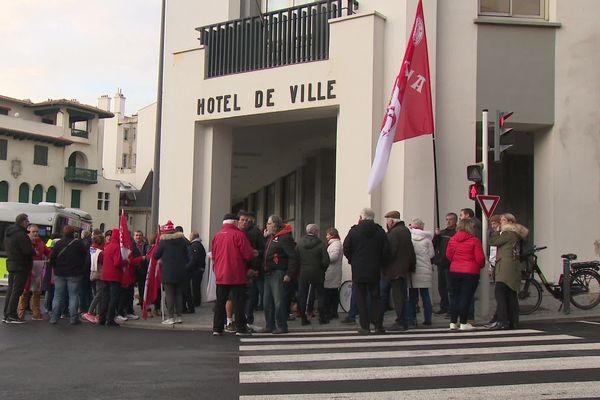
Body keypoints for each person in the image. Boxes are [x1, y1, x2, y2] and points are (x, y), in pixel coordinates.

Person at [343, 207, 390, 335]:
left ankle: (365, 326)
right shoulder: (380, 231)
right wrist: (380, 262)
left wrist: (352, 260)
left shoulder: (354, 231)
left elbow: (346, 247)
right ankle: (378, 326)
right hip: (374, 269)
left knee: (361, 298)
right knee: (376, 297)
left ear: (361, 217)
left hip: (358, 269)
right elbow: (386, 250)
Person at [211, 214, 257, 336]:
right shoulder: (239, 235)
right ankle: (240, 328)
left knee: (220, 303)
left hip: (221, 275)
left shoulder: (217, 236)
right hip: (237, 274)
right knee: (239, 302)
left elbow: (214, 255)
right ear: (235, 222)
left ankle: (217, 328)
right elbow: (247, 254)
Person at [489, 213, 529, 330]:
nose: (501, 223)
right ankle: (513, 321)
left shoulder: (509, 234)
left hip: (505, 268)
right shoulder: (517, 234)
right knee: (511, 295)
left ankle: (502, 321)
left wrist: (497, 231)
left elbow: (493, 241)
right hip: (512, 267)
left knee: (500, 294)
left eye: (503, 220)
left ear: (510, 222)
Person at [261, 215, 299, 334]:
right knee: (267, 301)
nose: (267, 226)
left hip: (278, 272)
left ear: (275, 225)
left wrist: (289, 273)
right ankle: (269, 324)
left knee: (279, 301)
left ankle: (282, 326)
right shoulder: (271, 238)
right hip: (269, 272)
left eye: (269, 224)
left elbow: (293, 257)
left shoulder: (284, 238)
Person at [445, 219, 485, 331]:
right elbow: (480, 258)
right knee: (466, 297)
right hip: (470, 272)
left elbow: (448, 255)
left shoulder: (452, 239)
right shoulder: (474, 240)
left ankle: (453, 322)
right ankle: (463, 322)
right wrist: (480, 265)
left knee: (455, 296)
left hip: (454, 270)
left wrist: (456, 262)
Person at [381, 211, 416, 331]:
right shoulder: (405, 231)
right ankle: (406, 320)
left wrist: (383, 265)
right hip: (402, 269)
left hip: (394, 270)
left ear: (391, 221)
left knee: (398, 297)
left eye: (387, 220)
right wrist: (411, 265)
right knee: (402, 296)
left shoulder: (394, 233)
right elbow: (411, 250)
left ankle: (401, 321)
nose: (387, 223)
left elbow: (389, 252)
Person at [48, 225, 88, 325]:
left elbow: (52, 258)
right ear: (73, 233)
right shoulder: (79, 244)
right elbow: (85, 257)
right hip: (74, 273)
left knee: (57, 296)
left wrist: (55, 267)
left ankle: (54, 317)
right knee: (73, 296)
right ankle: (73, 318)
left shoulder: (58, 244)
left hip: (60, 272)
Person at [153, 220, 190, 325]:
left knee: (169, 294)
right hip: (181, 271)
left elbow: (156, 256)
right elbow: (187, 255)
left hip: (168, 271)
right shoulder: (182, 241)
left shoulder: (163, 242)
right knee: (179, 294)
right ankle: (179, 316)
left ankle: (170, 317)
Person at [3, 213, 35, 324]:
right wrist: (33, 250)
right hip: (21, 265)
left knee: (11, 290)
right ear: (22, 222)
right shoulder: (21, 235)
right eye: (27, 221)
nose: (28, 223)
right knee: (16, 291)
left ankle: (6, 314)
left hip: (12, 264)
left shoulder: (9, 233)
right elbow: (27, 251)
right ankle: (12, 315)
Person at [296, 224, 330, 325]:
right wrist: (322, 270)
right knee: (320, 295)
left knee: (302, 295)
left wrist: (299, 269)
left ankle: (303, 319)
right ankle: (322, 318)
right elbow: (326, 261)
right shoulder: (321, 244)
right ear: (315, 232)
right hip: (317, 273)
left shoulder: (300, 243)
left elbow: (295, 258)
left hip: (303, 273)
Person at [17, 224, 50, 321]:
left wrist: (50, 258)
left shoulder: (40, 242)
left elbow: (48, 252)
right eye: (33, 232)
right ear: (28, 232)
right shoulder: (24, 241)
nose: (35, 233)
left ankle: (36, 314)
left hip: (37, 268)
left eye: (37, 232)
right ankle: (20, 314)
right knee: (24, 292)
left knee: (37, 293)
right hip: (26, 268)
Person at [238, 211, 265, 331]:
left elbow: (262, 249)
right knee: (243, 296)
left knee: (250, 295)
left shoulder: (254, 232)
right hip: (243, 268)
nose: (245, 222)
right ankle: (242, 319)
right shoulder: (239, 232)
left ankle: (247, 319)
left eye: (246, 220)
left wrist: (257, 253)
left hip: (251, 268)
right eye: (242, 220)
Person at [408, 218, 435, 327]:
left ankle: (413, 318)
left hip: (413, 270)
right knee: (425, 296)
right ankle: (428, 319)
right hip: (425, 271)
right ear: (421, 227)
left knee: (412, 297)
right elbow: (431, 254)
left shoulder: (410, 238)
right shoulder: (427, 240)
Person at [432, 212, 458, 315]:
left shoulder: (457, 233)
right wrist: (436, 236)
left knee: (450, 287)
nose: (448, 221)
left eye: (450, 219)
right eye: (447, 219)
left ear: (455, 220)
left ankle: (452, 309)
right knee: (441, 286)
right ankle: (444, 306)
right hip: (441, 262)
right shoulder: (442, 233)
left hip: (451, 263)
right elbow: (434, 244)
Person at [99, 228, 123, 327]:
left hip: (105, 275)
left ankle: (102, 318)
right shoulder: (117, 247)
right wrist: (124, 262)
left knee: (105, 298)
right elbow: (117, 262)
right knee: (113, 298)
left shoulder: (107, 246)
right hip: (114, 276)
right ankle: (110, 319)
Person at [83, 232, 105, 324]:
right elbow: (104, 262)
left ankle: (98, 314)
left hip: (92, 274)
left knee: (96, 294)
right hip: (99, 274)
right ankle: (89, 312)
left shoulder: (92, 249)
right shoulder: (100, 252)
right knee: (99, 294)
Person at [323, 228, 343, 321]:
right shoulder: (335, 243)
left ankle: (330, 312)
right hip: (333, 272)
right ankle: (332, 312)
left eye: (327, 235)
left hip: (332, 272)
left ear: (331, 235)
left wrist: (324, 259)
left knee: (330, 293)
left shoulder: (335, 244)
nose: (326, 237)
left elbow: (334, 257)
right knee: (332, 293)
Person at [187, 231, 206, 311]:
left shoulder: (195, 245)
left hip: (196, 269)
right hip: (199, 268)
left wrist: (188, 267)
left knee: (195, 286)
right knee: (196, 286)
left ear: (193, 237)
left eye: (190, 235)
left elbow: (194, 258)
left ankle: (196, 301)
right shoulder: (199, 245)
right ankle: (197, 300)